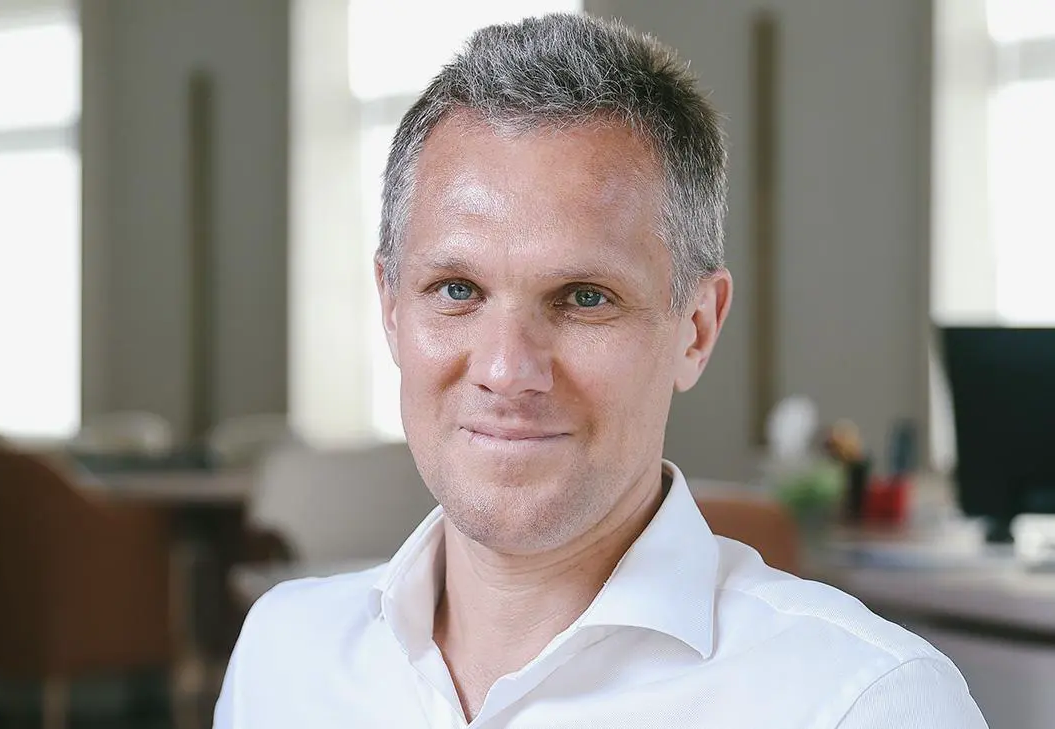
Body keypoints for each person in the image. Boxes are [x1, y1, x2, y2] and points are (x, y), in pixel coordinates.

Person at [214, 13, 986, 728]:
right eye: (456, 290)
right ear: (390, 307)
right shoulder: (284, 657)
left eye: (585, 297)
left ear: (697, 328)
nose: (507, 370)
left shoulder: (862, 703)